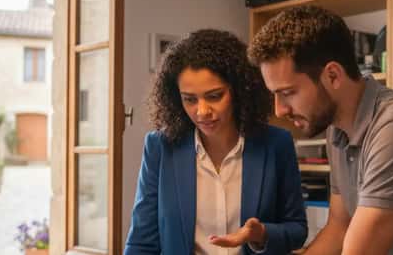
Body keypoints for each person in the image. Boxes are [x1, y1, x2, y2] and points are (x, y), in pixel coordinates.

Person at [248, 6, 393, 255]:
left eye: (287, 93)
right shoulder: (338, 131)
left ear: (332, 76)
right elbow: (340, 227)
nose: (279, 110)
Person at [125, 29, 307, 255]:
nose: (202, 112)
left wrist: (261, 234)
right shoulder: (160, 147)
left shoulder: (276, 144)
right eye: (189, 99)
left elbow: (297, 230)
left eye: (214, 96)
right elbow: (141, 242)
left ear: (239, 90)